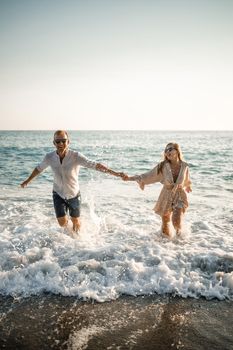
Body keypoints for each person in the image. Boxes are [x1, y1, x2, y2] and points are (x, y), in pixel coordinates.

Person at [20, 130, 124, 234]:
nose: (61, 143)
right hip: (58, 193)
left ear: (68, 142)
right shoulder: (49, 157)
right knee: (62, 223)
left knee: (76, 221)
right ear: (54, 143)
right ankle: (69, 236)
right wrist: (28, 180)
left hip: (74, 194)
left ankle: (77, 241)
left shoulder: (76, 156)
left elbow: (94, 165)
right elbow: (39, 168)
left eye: (63, 141)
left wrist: (115, 173)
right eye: (58, 141)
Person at [122, 142, 192, 238]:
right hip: (166, 194)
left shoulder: (185, 166)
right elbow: (147, 175)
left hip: (179, 194)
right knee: (165, 220)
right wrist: (129, 178)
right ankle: (165, 244)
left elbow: (186, 178)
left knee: (176, 220)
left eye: (170, 149)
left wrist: (187, 185)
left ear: (177, 151)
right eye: (166, 150)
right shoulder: (162, 166)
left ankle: (180, 241)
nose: (167, 152)